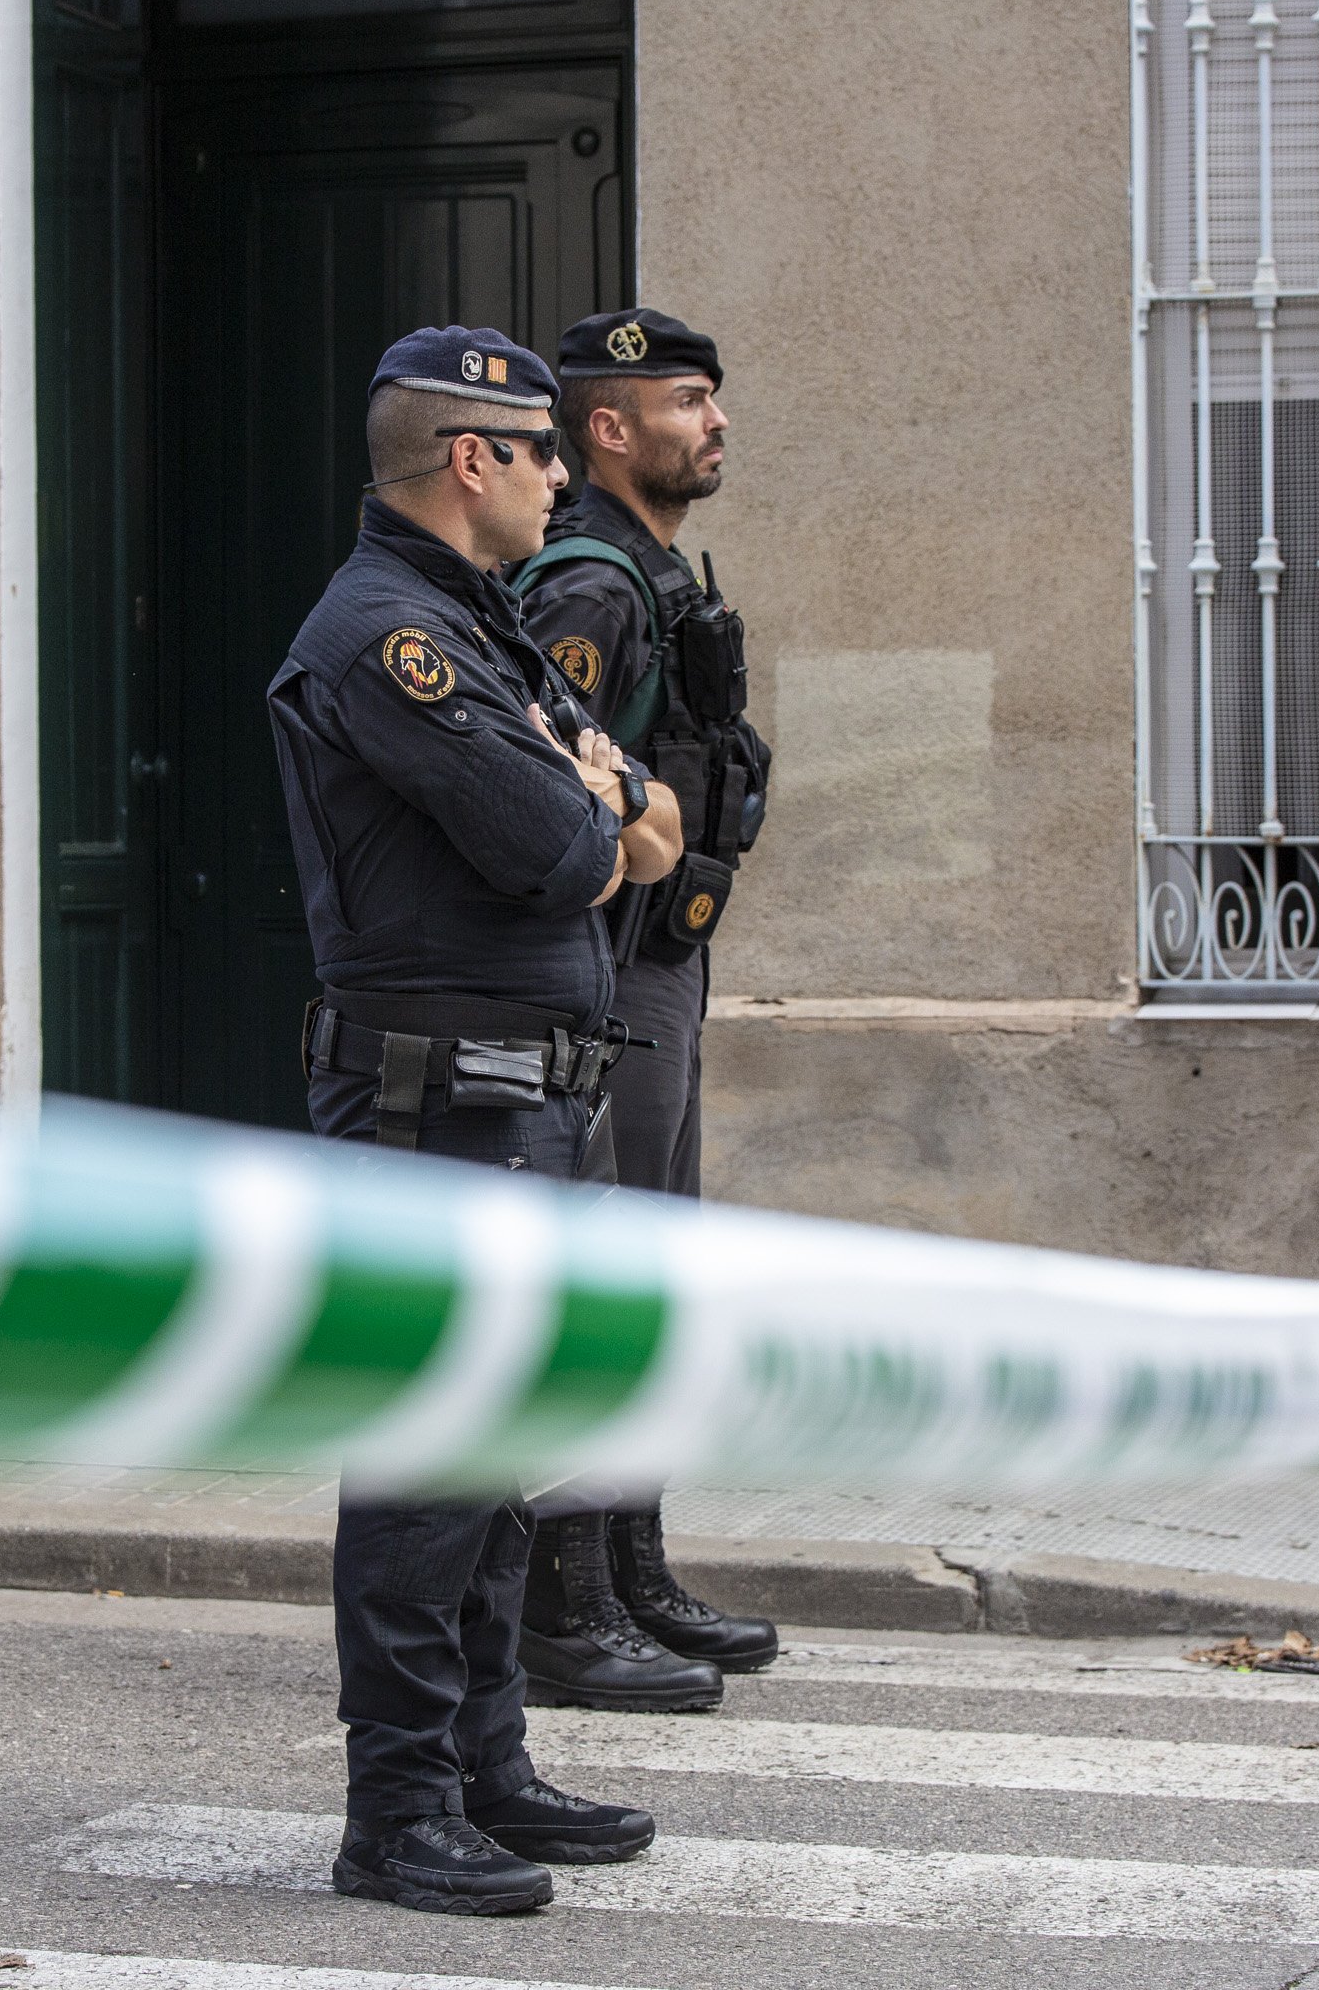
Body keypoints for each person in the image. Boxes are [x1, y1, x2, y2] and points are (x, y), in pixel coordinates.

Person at [267, 324, 689, 1916]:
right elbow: (570, 850)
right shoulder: (391, 639)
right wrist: (596, 801)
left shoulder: (486, 628)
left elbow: (652, 825)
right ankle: (396, 1806)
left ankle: (486, 1762)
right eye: (539, 454)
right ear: (471, 461)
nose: (564, 477)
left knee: (498, 1454)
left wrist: (605, 796)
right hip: (433, 1109)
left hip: (527, 1105)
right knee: (423, 1461)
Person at [510, 308, 780, 1706]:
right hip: (613, 974)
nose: (717, 420)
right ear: (607, 427)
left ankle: (631, 1569)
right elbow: (555, 782)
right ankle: (565, 1603)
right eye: (688, 400)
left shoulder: (654, 575)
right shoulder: (592, 589)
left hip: (662, 965)